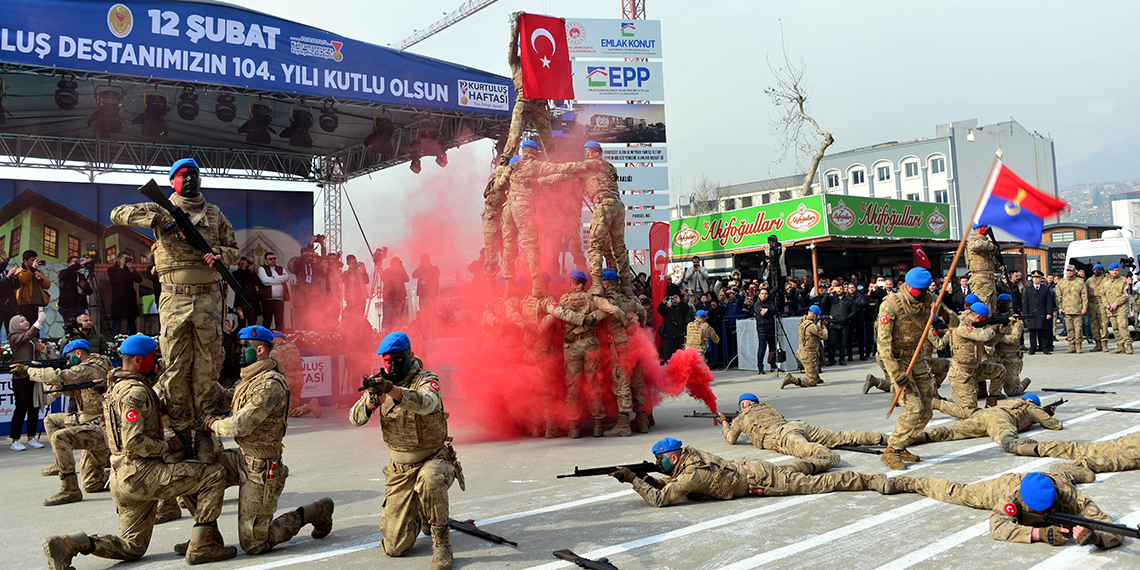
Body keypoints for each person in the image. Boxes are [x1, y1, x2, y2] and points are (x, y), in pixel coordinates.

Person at [42, 334, 237, 568]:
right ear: (138, 360)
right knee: (213, 474)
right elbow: (134, 441)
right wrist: (169, 445)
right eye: (152, 359)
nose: (156, 365)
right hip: (141, 474)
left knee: (132, 547)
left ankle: (72, 544)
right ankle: (203, 545)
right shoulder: (135, 392)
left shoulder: (116, 387)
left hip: (121, 478)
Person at [110, 157, 240, 464]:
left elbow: (234, 251)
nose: (190, 179)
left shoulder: (215, 213)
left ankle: (205, 433)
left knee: (207, 368)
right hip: (174, 299)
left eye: (194, 174)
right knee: (176, 369)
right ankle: (181, 435)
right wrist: (158, 220)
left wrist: (220, 254)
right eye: (182, 175)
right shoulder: (160, 207)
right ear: (172, 181)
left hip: (209, 300)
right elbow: (117, 214)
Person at [182, 326, 334, 555]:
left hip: (262, 469)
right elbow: (228, 398)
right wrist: (202, 384)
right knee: (190, 475)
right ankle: (206, 536)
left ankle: (315, 511)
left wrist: (210, 423)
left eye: (244, 347)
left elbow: (238, 425)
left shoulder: (270, 385)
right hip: (241, 458)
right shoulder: (250, 378)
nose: (238, 352)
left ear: (260, 350)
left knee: (254, 543)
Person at [350, 332, 462, 570]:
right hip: (400, 471)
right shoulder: (381, 383)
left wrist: (393, 390)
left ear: (410, 355)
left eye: (399, 359)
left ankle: (442, 544)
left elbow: (427, 403)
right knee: (395, 547)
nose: (393, 366)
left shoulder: (426, 379)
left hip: (433, 459)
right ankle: (422, 511)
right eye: (388, 360)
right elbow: (355, 418)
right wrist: (371, 400)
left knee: (430, 480)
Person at [608, 437, 890, 508]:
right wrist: (647, 479)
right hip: (751, 468)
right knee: (800, 468)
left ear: (673, 457)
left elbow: (661, 499)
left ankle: (867, 480)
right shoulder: (688, 459)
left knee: (811, 484)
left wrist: (633, 480)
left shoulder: (692, 472)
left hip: (760, 478)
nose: (659, 464)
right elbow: (672, 483)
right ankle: (827, 458)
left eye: (660, 460)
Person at [881, 471, 1122, 548]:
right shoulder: (1013, 493)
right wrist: (1039, 533)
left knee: (1067, 474)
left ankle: (1073, 469)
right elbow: (997, 525)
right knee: (960, 493)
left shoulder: (1071, 496)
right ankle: (910, 483)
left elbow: (1109, 526)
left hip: (1056, 478)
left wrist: (1096, 538)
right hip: (1003, 485)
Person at [17, 339, 113, 505]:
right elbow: (63, 389)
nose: (69, 362)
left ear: (78, 353)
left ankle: (70, 489)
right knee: (92, 483)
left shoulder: (89, 368)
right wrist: (49, 381)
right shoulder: (93, 366)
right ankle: (61, 462)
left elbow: (60, 376)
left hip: (101, 426)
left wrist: (29, 370)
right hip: (87, 420)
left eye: (69, 358)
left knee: (59, 437)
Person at [877, 267, 953, 470]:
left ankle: (903, 445)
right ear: (907, 285)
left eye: (922, 291)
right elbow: (883, 344)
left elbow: (953, 322)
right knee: (914, 407)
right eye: (915, 290)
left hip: (917, 357)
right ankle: (891, 451)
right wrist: (895, 372)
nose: (918, 295)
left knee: (927, 409)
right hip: (897, 359)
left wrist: (941, 312)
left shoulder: (930, 300)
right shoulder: (891, 304)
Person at [501, 141, 597, 295]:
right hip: (554, 221)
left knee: (576, 252)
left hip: (569, 220)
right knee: (552, 255)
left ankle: (584, 281)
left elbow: (579, 193)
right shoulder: (543, 178)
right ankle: (552, 284)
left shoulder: (567, 181)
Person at [721, 394, 887, 470]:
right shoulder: (767, 407)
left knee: (805, 448)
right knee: (842, 436)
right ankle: (883, 438)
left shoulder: (741, 417)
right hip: (797, 426)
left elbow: (731, 439)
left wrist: (724, 423)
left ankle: (825, 454)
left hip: (781, 435)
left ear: (742, 405)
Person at [555, 270, 626, 438]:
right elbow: (610, 309)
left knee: (572, 386)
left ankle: (574, 427)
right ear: (584, 284)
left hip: (571, 346)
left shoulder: (563, 299)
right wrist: (592, 319)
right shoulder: (592, 297)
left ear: (570, 282)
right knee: (593, 383)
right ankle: (598, 426)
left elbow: (556, 314)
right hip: (590, 343)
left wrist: (575, 328)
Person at [598, 269, 650, 437]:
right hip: (635, 343)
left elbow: (595, 318)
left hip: (619, 345)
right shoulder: (628, 299)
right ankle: (643, 421)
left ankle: (623, 424)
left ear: (606, 284)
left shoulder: (608, 301)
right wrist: (638, 328)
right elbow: (643, 313)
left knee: (622, 381)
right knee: (638, 381)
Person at [923, 393, 1063, 453]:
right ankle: (1030, 450)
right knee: (1008, 440)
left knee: (951, 431)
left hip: (984, 413)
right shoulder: (1030, 406)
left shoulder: (1013, 402)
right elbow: (1054, 424)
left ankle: (920, 436)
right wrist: (1048, 414)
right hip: (1000, 418)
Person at [501, 13, 556, 162]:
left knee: (548, 140)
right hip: (524, 99)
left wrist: (559, 32)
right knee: (514, 135)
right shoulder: (515, 61)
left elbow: (554, 53)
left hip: (540, 101)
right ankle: (504, 161)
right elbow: (512, 46)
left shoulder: (540, 63)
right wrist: (516, 27)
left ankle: (554, 164)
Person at [580, 141, 632, 293]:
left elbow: (567, 171)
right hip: (618, 206)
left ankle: (597, 285)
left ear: (592, 152)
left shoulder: (588, 165)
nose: (586, 154)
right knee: (619, 248)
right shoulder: (610, 167)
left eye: (587, 151)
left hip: (603, 205)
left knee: (595, 245)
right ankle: (626, 286)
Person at [946, 302, 1007, 414]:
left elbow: (988, 343)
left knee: (999, 370)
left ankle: (991, 403)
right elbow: (983, 335)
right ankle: (938, 404)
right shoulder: (962, 326)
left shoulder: (974, 326)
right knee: (970, 413)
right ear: (979, 317)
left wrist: (1001, 331)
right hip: (961, 374)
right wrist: (993, 329)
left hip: (975, 369)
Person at [8, 313, 47, 451]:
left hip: (33, 375)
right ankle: (15, 440)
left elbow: (32, 341)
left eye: (26, 320)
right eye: (21, 321)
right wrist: (39, 321)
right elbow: (27, 336)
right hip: (21, 377)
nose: (25, 322)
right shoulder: (14, 337)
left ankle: (31, 438)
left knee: (33, 408)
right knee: (21, 408)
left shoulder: (32, 339)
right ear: (14, 325)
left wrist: (41, 349)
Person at [992, 294, 1031, 397]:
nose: (1003, 305)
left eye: (1006, 303)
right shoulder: (994, 318)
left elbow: (1014, 338)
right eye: (1001, 303)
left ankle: (1023, 384)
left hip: (1011, 357)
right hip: (995, 356)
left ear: (1011, 304)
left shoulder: (1016, 319)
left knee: (1012, 391)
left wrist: (997, 337)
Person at [782, 305, 828, 389]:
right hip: (808, 355)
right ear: (815, 315)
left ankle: (816, 377)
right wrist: (824, 326)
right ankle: (792, 379)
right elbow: (824, 336)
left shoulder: (803, 321)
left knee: (815, 363)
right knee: (812, 382)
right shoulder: (811, 326)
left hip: (804, 351)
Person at [107, 252, 143, 337]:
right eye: (125, 259)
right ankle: (115, 342)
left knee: (132, 326)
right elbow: (116, 280)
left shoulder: (128, 270)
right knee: (116, 326)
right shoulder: (112, 270)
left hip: (129, 300)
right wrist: (121, 267)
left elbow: (139, 280)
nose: (126, 260)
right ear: (118, 259)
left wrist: (131, 269)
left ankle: (133, 342)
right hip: (118, 300)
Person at [1054, 264, 1087, 353]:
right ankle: (1071, 345)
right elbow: (1058, 296)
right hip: (1067, 310)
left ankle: (1079, 346)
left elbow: (1084, 296)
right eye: (1068, 271)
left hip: (1078, 309)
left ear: (1074, 272)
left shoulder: (1080, 282)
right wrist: (1060, 307)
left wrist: (1084, 307)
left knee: (1078, 329)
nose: (1069, 272)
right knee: (1069, 329)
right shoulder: (1061, 282)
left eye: (1071, 271)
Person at [13, 250, 51, 324]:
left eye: (35, 260)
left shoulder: (38, 271)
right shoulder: (20, 271)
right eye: (32, 260)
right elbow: (23, 280)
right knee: (27, 326)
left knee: (37, 326)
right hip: (25, 304)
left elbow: (47, 286)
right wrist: (32, 269)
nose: (34, 262)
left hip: (38, 303)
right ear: (25, 261)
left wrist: (41, 279)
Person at [1101, 263, 1132, 354]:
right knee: (1115, 328)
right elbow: (1102, 294)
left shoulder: (1124, 280)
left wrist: (1116, 303)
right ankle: (1120, 346)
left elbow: (1126, 294)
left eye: (1116, 270)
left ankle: (1129, 345)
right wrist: (1107, 305)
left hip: (1121, 308)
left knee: (1122, 327)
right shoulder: (1105, 281)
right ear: (1109, 271)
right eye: (1112, 270)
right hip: (1110, 309)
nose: (1115, 272)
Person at [966, 225, 998, 309]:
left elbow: (988, 264)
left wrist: (998, 266)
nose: (985, 229)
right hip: (980, 281)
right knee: (983, 306)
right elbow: (977, 246)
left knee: (992, 307)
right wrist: (992, 246)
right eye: (983, 227)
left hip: (990, 281)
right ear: (976, 229)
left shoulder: (986, 244)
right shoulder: (973, 241)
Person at [1023, 270, 1055, 355]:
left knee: (1043, 332)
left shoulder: (1045, 289)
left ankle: (1045, 348)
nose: (1036, 279)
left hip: (1042, 313)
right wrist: (1026, 314)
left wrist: (1049, 313)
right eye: (1034, 277)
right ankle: (1032, 348)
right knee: (1032, 332)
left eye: (1038, 277)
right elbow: (1025, 302)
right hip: (1032, 313)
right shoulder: (1028, 289)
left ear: (1041, 279)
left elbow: (1049, 302)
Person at [258, 251, 291, 331]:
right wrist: (280, 278)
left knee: (280, 320)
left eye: (274, 258)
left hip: (280, 299)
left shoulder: (281, 268)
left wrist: (273, 278)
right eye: (270, 259)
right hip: (267, 299)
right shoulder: (262, 268)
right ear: (265, 260)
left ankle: (280, 335)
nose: (273, 260)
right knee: (267, 320)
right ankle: (266, 337)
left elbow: (286, 277)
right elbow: (265, 281)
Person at [58, 255, 95, 322]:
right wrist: (80, 264)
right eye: (75, 262)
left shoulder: (81, 276)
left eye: (78, 262)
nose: (77, 264)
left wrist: (84, 286)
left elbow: (89, 291)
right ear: (69, 264)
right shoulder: (64, 273)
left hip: (80, 305)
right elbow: (65, 274)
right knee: (70, 325)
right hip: (68, 306)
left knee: (81, 325)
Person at [413, 254, 441, 338]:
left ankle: (434, 334)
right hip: (423, 296)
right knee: (424, 316)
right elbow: (414, 275)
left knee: (433, 316)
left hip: (432, 296)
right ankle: (426, 335)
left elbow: (437, 274)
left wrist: (427, 269)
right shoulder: (420, 270)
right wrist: (420, 268)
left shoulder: (434, 268)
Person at [751, 288, 778, 373]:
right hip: (762, 329)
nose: (764, 295)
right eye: (762, 293)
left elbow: (776, 311)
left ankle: (773, 365)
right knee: (762, 349)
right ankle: (760, 367)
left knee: (772, 348)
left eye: (765, 293)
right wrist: (769, 312)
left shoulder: (770, 303)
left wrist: (768, 310)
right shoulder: (757, 304)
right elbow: (762, 314)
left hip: (771, 328)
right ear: (759, 295)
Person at [232, 257, 262, 329]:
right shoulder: (236, 273)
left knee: (252, 323)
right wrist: (242, 269)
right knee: (242, 323)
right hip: (241, 302)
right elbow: (237, 281)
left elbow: (258, 283)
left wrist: (252, 272)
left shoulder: (250, 274)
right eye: (242, 263)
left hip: (252, 302)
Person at [657, 293, 689, 362]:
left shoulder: (681, 310)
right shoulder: (667, 310)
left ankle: (680, 367)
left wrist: (680, 301)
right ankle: (668, 367)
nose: (674, 301)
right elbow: (659, 309)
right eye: (672, 299)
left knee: (680, 355)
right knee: (668, 356)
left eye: (675, 299)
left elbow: (686, 309)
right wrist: (663, 302)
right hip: (669, 336)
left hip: (679, 336)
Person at [827, 285, 853, 366]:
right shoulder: (832, 299)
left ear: (844, 290)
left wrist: (847, 317)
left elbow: (854, 311)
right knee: (832, 343)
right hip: (834, 323)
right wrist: (828, 293)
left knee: (843, 343)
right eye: (838, 289)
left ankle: (842, 359)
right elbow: (823, 302)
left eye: (841, 289)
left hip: (844, 324)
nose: (839, 290)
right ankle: (831, 360)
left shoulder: (849, 300)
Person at [382, 257, 410, 329]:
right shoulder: (387, 271)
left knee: (397, 317)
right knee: (387, 316)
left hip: (399, 298)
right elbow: (383, 279)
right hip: (388, 298)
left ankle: (395, 330)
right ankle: (385, 331)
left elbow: (407, 279)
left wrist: (402, 269)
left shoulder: (400, 272)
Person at [343, 254, 370, 320]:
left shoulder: (360, 272)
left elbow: (367, 281)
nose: (354, 265)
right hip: (351, 298)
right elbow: (343, 281)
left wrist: (364, 270)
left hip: (361, 297)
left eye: (355, 262)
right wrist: (350, 271)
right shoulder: (346, 273)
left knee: (360, 316)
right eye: (352, 263)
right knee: (352, 316)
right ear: (348, 264)